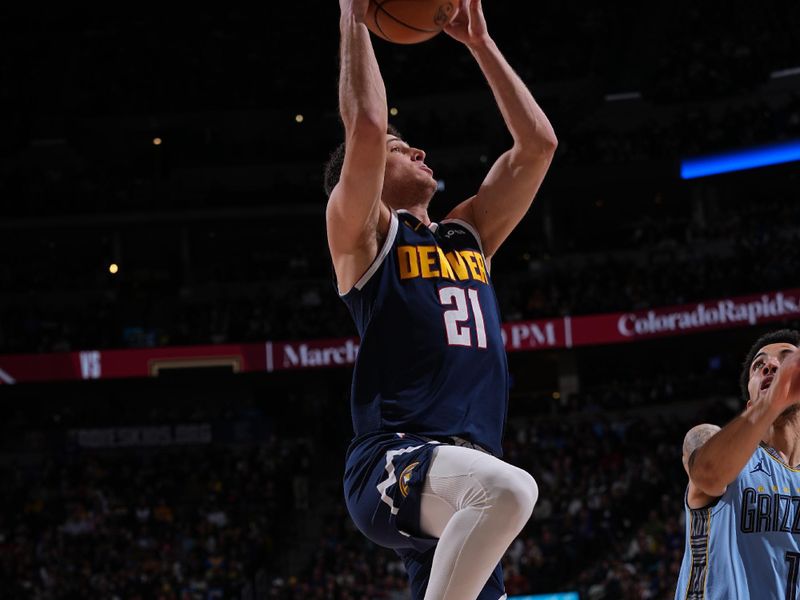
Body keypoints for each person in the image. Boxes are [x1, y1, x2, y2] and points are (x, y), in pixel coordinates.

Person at [323, 0, 557, 598]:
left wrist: (481, 44)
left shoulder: (467, 232)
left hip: (462, 479)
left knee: (496, 498)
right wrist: (354, 15)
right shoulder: (364, 236)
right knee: (509, 491)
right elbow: (368, 128)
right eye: (404, 149)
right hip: (394, 459)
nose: (418, 151)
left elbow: (538, 146)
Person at [675, 329, 800, 599]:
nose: (770, 365)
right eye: (759, 365)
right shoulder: (710, 440)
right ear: (750, 402)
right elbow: (707, 473)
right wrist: (775, 399)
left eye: (786, 358)